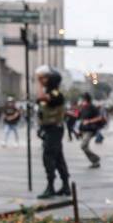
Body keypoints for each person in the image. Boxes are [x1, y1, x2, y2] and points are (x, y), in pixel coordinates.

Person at [35, 65, 71, 199]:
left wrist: (38, 82)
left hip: (54, 129)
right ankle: (65, 186)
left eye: (45, 78)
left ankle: (51, 186)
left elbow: (41, 97)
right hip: (50, 129)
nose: (42, 80)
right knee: (58, 157)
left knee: (48, 157)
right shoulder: (50, 92)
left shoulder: (55, 94)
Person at [76, 93, 105, 168]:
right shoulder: (83, 108)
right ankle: (95, 162)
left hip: (90, 130)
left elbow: (99, 118)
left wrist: (89, 121)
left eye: (82, 100)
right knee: (85, 147)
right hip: (84, 130)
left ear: (86, 100)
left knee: (83, 145)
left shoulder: (92, 107)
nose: (81, 101)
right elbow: (81, 119)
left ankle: (95, 158)